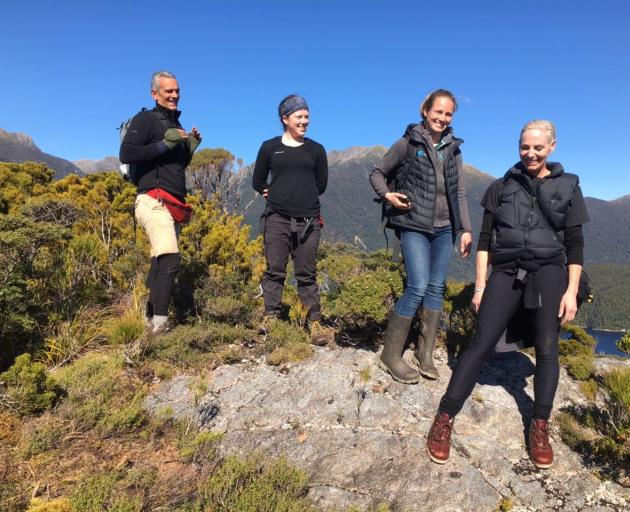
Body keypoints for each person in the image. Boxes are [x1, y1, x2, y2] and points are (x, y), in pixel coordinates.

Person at [427, 120, 589, 469]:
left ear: (552, 147)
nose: (530, 153)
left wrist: (572, 291)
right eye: (524, 147)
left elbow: (574, 244)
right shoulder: (500, 188)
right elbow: (484, 241)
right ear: (518, 146)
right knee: (481, 342)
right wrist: (481, 285)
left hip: (549, 274)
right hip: (506, 272)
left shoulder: (569, 187)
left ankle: (540, 426)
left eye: (538, 148)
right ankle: (444, 417)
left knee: (548, 346)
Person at [369, 89, 473, 383]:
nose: (442, 117)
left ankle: (423, 354)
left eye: (448, 113)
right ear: (425, 111)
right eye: (437, 111)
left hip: (445, 228)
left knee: (435, 287)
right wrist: (387, 195)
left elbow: (460, 192)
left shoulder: (454, 149)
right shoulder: (407, 143)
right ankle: (390, 355)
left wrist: (465, 229)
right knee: (417, 286)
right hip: (413, 224)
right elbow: (376, 173)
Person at [119, 71, 201, 334]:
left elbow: (173, 166)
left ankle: (148, 319)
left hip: (173, 203)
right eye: (169, 91)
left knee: (159, 261)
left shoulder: (176, 124)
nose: (175, 95)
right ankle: (160, 327)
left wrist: (189, 148)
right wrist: (166, 144)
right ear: (155, 94)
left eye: (177, 91)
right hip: (153, 200)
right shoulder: (146, 120)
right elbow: (128, 152)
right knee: (170, 260)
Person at [252, 95, 331, 345]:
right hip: (277, 219)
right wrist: (274, 194)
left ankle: (314, 321)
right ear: (285, 119)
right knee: (274, 271)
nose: (305, 121)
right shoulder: (269, 147)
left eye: (307, 116)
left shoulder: (316, 150)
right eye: (299, 116)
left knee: (306, 274)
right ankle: (272, 316)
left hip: (308, 221)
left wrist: (300, 197)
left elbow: (321, 184)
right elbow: (258, 180)